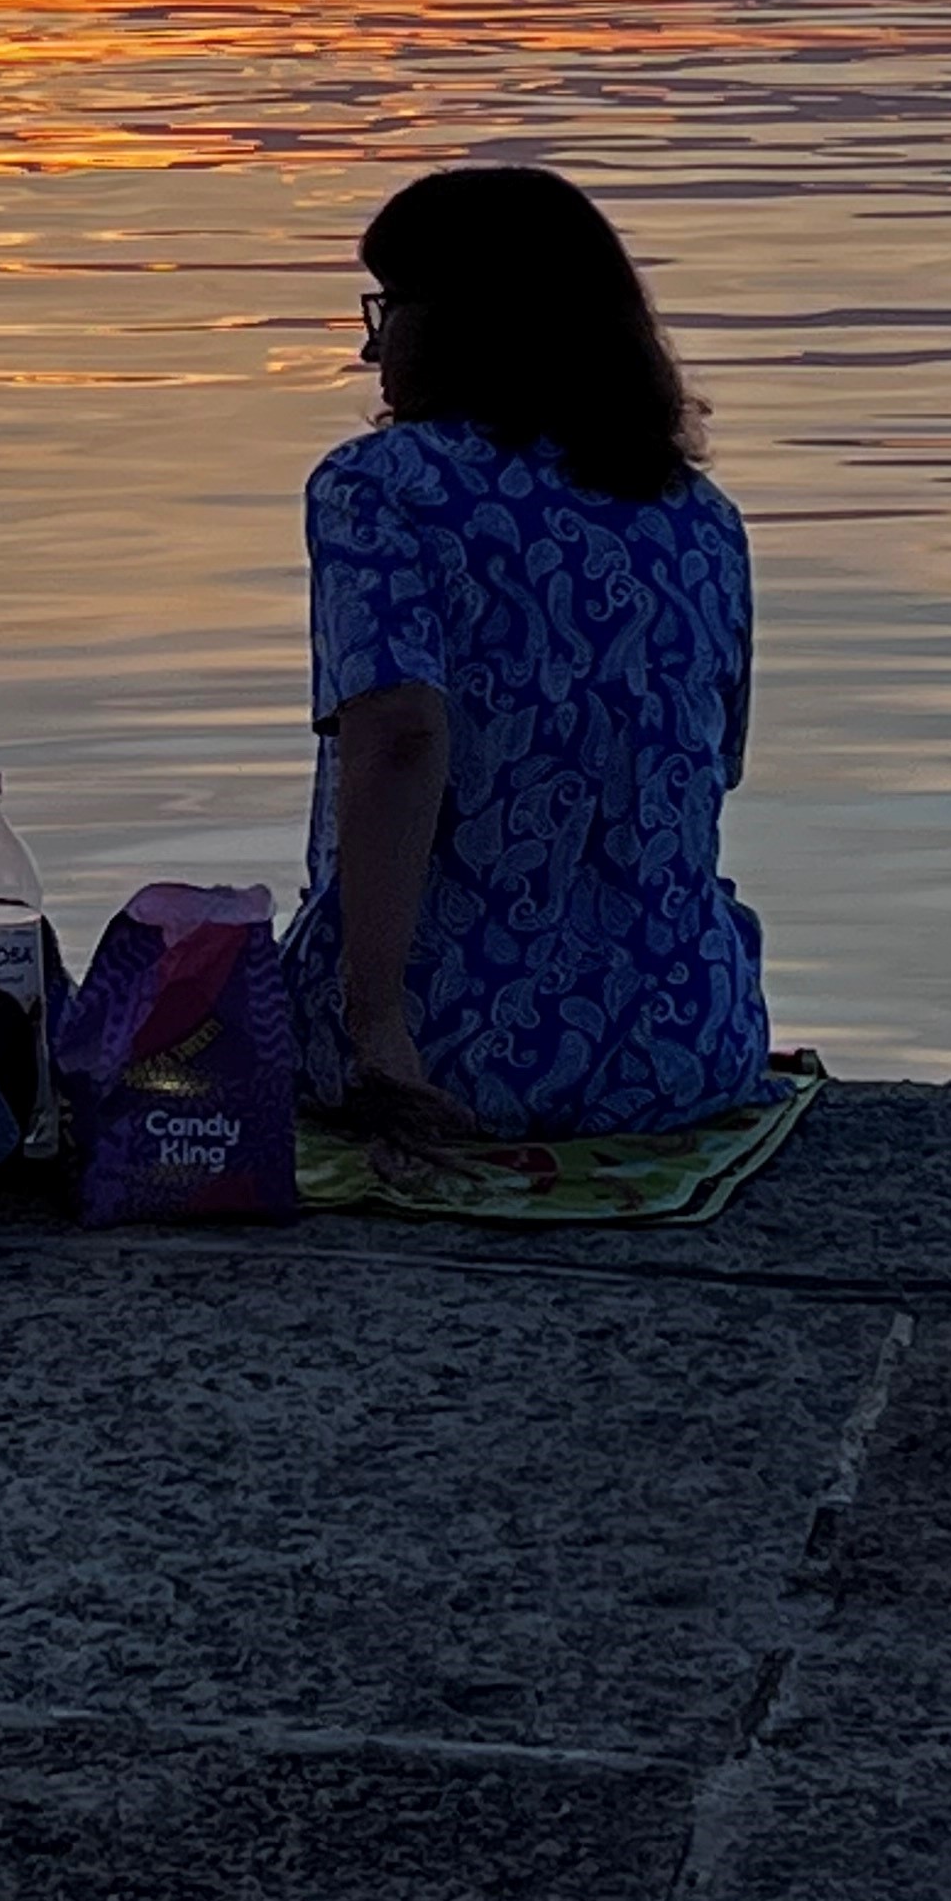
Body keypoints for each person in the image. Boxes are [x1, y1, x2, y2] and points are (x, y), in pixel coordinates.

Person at [279, 162, 777, 1158]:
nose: (372, 346)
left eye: (389, 308)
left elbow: (400, 738)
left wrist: (378, 1032)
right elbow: (713, 765)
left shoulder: (380, 489)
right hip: (686, 1047)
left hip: (452, 1058)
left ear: (457, 321)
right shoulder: (702, 517)